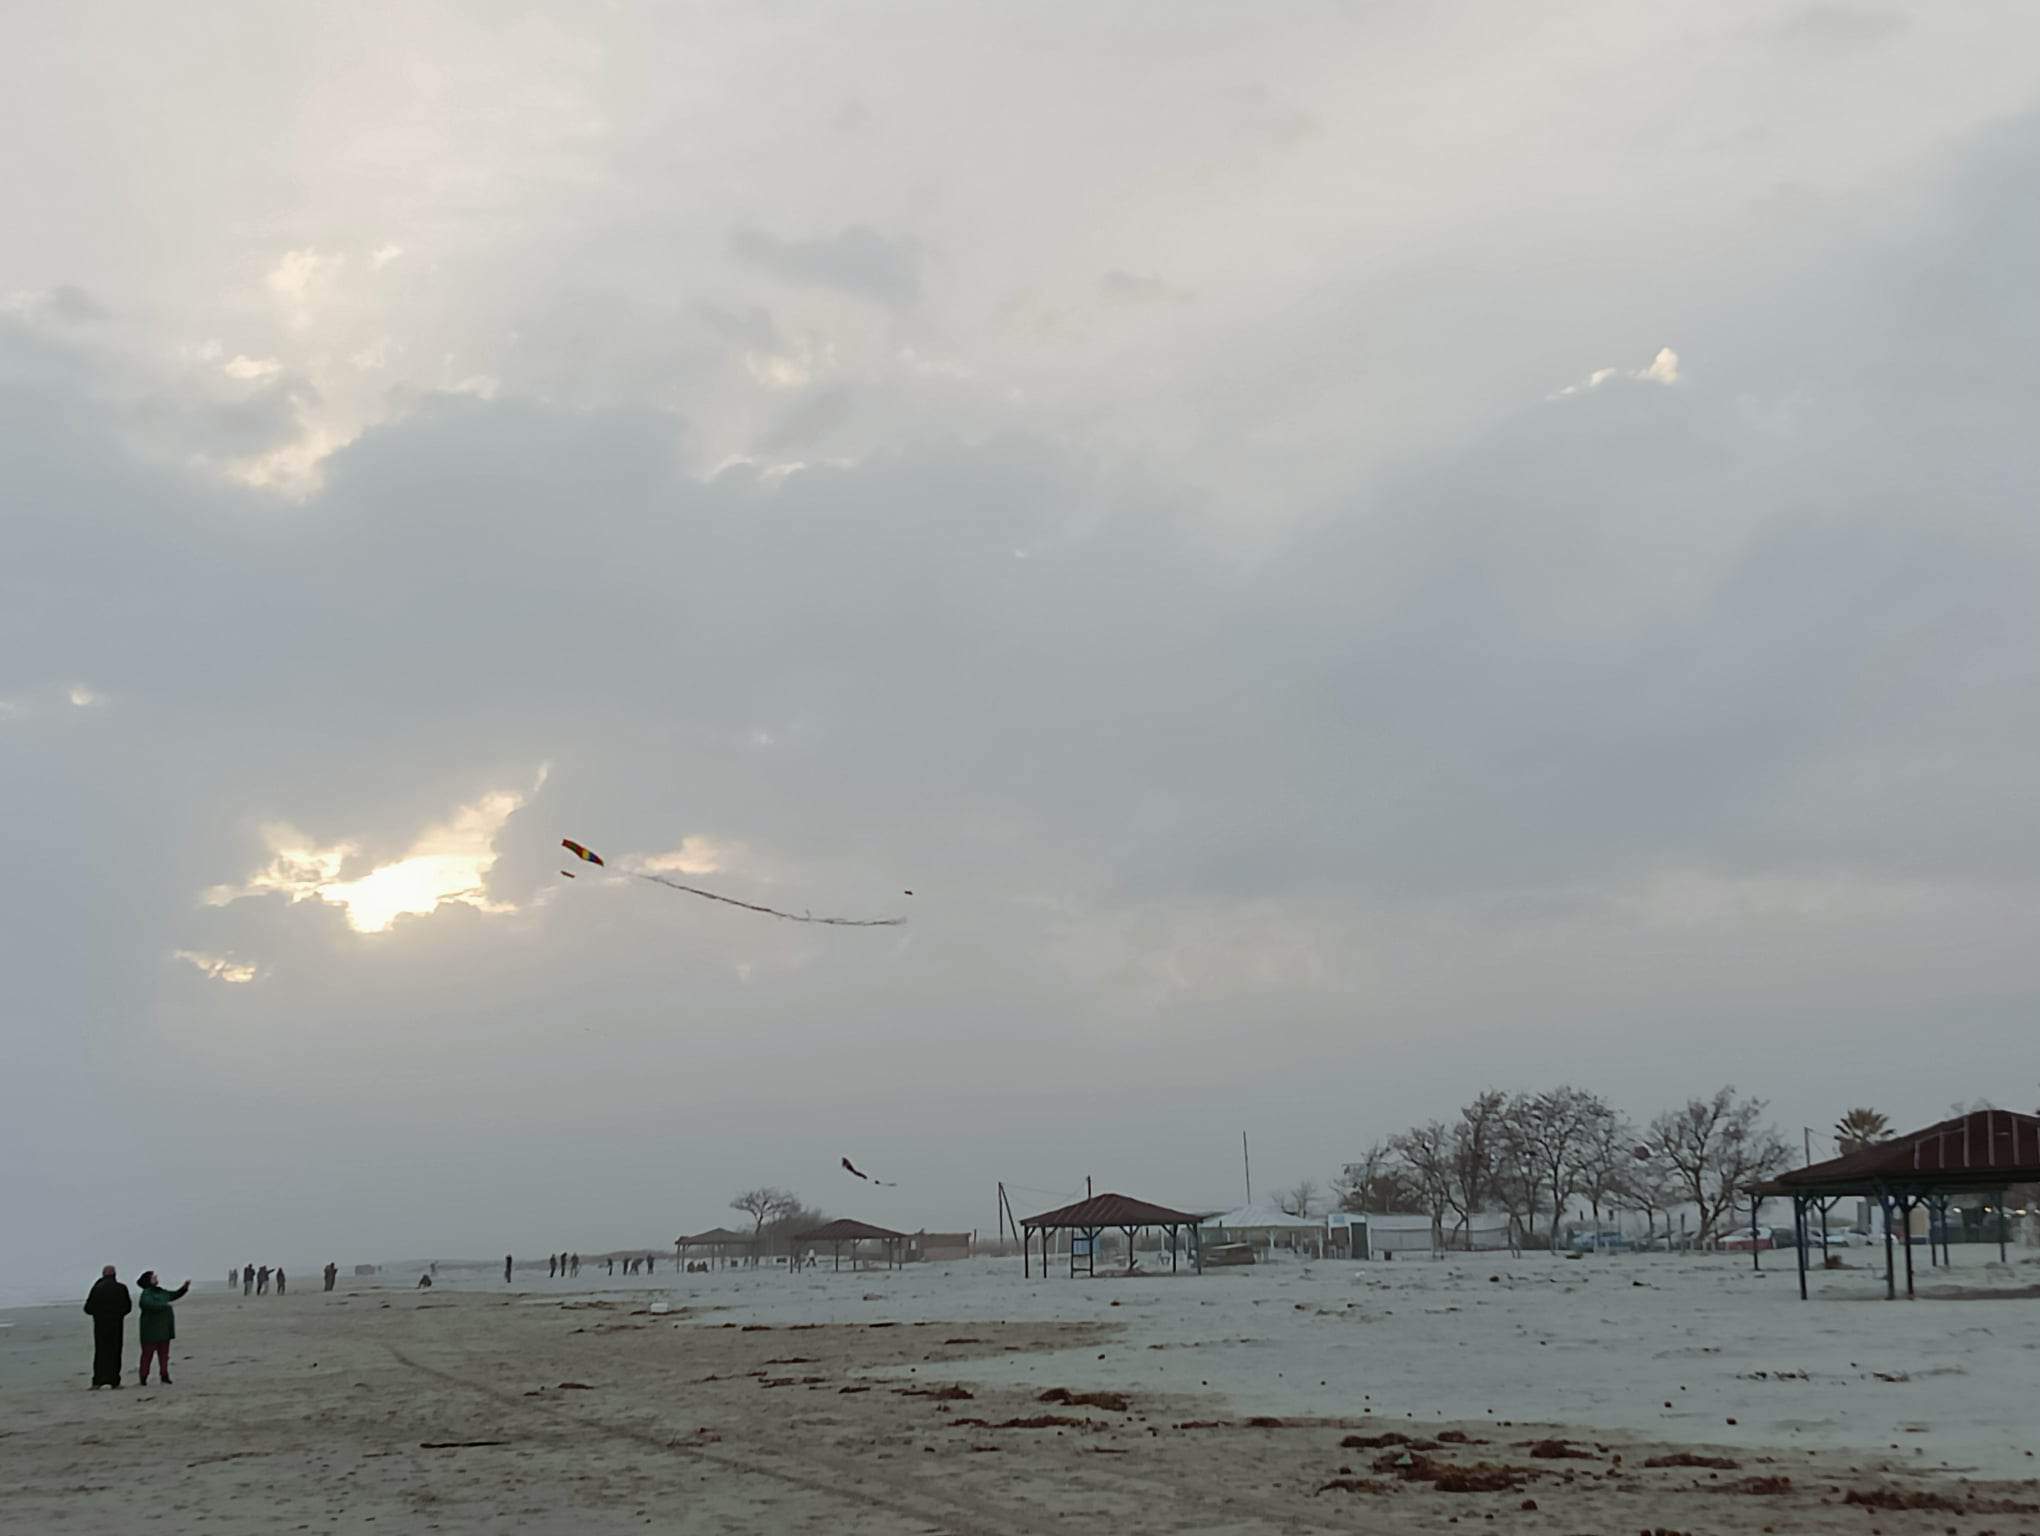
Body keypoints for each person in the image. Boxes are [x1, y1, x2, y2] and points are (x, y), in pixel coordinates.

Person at [135, 1272, 189, 1385]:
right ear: (148, 1280)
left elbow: (174, 1295)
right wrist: (164, 1306)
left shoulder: (161, 1292)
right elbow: (147, 1304)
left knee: (164, 1355)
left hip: (164, 1329)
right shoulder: (146, 1293)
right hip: (150, 1330)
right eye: (153, 1277)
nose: (156, 1278)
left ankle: (164, 1375)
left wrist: (184, 1288)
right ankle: (143, 1377)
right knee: (147, 1355)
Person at [83, 1266, 132, 1389]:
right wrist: (118, 1315)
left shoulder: (97, 1288)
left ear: (103, 1275)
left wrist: (98, 1314)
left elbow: (88, 1308)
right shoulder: (121, 1288)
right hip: (116, 1325)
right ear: (115, 1274)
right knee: (115, 1352)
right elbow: (128, 1307)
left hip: (100, 1325)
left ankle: (98, 1380)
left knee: (100, 1352)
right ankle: (114, 1380)